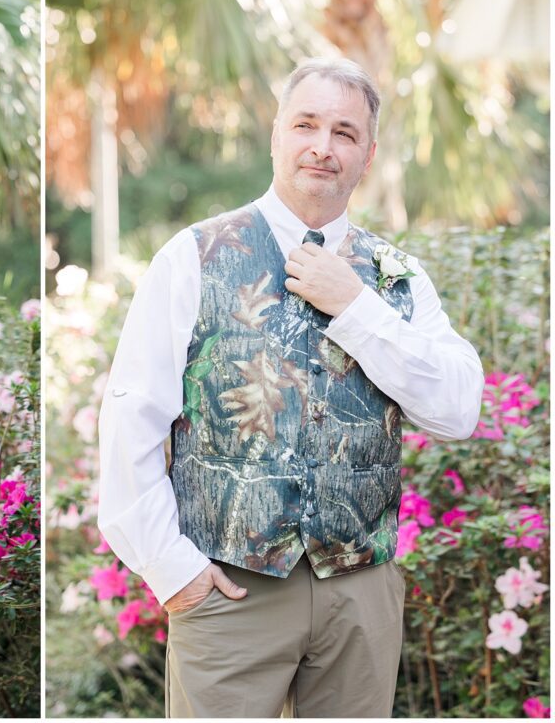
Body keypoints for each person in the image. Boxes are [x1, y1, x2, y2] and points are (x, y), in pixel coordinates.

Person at [97, 58, 484, 718]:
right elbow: (132, 416)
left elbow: (456, 407)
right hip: (230, 590)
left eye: (344, 131)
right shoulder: (194, 254)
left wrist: (357, 307)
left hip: (359, 591)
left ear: (368, 152)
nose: (322, 147)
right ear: (276, 133)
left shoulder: (396, 279)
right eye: (306, 124)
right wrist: (172, 568)